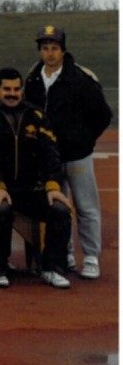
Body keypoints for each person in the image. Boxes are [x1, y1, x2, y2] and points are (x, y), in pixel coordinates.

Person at [24, 26, 112, 280]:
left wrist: (83, 141)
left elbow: (102, 115)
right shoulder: (33, 77)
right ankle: (65, 253)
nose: (49, 53)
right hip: (47, 156)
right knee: (57, 207)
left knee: (86, 206)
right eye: (44, 48)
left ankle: (92, 257)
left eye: (54, 48)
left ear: (63, 49)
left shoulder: (81, 78)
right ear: (40, 50)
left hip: (76, 155)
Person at [0, 68, 72, 289]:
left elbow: (51, 152)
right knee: (1, 209)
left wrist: (53, 186)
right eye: (7, 89)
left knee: (60, 209)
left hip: (31, 189)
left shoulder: (36, 116)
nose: (12, 93)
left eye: (17, 89)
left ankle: (51, 268)